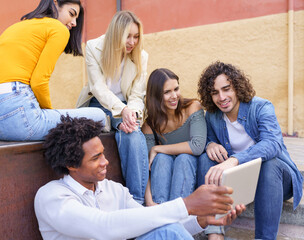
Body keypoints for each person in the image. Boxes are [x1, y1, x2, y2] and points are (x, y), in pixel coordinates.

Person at [34, 115, 246, 240]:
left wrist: (201, 220)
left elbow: (151, 221)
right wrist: (187, 204)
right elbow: (103, 226)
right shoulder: (52, 197)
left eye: (103, 154)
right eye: (96, 158)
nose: (105, 162)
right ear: (71, 165)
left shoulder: (112, 189)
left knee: (168, 231)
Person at [197, 61, 303, 240]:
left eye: (226, 89)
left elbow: (273, 143)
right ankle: (214, 233)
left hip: (276, 181)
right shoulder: (213, 116)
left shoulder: (261, 107)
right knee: (205, 159)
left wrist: (234, 160)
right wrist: (210, 145)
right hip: (242, 182)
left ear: (237, 87)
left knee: (270, 164)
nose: (221, 97)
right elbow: (207, 140)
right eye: (215, 93)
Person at [0, 0, 106, 141]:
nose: (74, 23)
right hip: (16, 119)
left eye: (76, 19)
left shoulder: (18, 26)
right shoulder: (58, 29)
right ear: (54, 3)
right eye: (71, 14)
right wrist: (48, 113)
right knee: (99, 116)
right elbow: (39, 81)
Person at [76, 10, 149, 204]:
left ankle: (137, 201)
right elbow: (98, 88)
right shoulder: (93, 47)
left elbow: (136, 95)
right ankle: (118, 122)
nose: (132, 42)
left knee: (132, 133)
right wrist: (122, 112)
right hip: (97, 105)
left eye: (136, 37)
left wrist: (131, 115)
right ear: (117, 33)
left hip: (126, 106)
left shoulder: (141, 55)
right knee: (118, 120)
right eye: (128, 36)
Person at [141, 68, 206, 206]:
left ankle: (178, 214)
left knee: (183, 158)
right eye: (167, 92)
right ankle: (160, 210)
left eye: (176, 89)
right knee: (161, 159)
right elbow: (146, 167)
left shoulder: (193, 108)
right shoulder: (150, 125)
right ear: (156, 96)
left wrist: (158, 148)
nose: (174, 96)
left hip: (191, 175)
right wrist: (149, 201)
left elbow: (197, 146)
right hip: (165, 178)